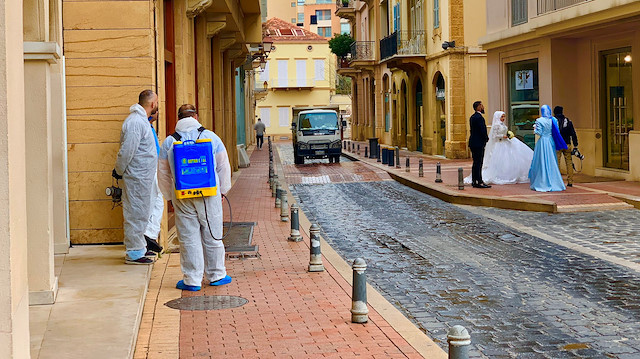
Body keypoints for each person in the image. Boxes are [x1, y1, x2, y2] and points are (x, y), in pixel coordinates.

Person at [157, 104, 232, 291]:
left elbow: (163, 173)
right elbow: (223, 166)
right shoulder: (211, 137)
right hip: (209, 194)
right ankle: (217, 274)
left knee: (188, 236)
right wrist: (222, 191)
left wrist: (169, 196)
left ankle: (192, 279)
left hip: (182, 195)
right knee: (212, 233)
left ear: (178, 118)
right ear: (196, 117)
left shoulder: (169, 142)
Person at [113, 90, 159, 264]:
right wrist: (119, 170)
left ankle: (139, 248)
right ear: (153, 104)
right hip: (136, 177)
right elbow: (127, 151)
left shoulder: (141, 121)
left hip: (143, 177)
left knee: (142, 214)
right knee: (135, 215)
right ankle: (133, 252)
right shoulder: (135, 122)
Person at [464, 111, 534, 185]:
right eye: (502, 116)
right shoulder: (496, 125)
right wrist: (502, 136)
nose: (503, 118)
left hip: (505, 143)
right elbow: (494, 136)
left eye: (504, 116)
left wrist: (507, 135)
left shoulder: (502, 124)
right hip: (499, 144)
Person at [528, 105, 567, 192]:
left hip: (542, 142)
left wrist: (534, 129)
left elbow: (539, 132)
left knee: (542, 161)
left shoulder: (539, 120)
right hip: (550, 141)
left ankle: (542, 181)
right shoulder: (553, 120)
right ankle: (555, 181)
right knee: (552, 160)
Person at [144, 111, 164, 254]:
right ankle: (146, 237)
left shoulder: (150, 127)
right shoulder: (145, 127)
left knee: (157, 202)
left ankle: (150, 235)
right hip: (149, 171)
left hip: (155, 168)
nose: (158, 114)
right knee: (151, 203)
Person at [468, 101, 491, 188]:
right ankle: (479, 181)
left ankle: (475, 180)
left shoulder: (472, 117)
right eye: (482, 105)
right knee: (478, 163)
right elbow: (482, 130)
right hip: (478, 143)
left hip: (473, 142)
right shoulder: (479, 118)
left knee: (475, 163)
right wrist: (486, 138)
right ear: (478, 107)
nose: (483, 107)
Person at [554, 106, 578, 187]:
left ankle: (557, 181)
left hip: (557, 145)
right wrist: (575, 145)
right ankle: (570, 181)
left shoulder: (554, 121)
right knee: (569, 163)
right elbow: (573, 133)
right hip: (567, 144)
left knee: (557, 163)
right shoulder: (568, 121)